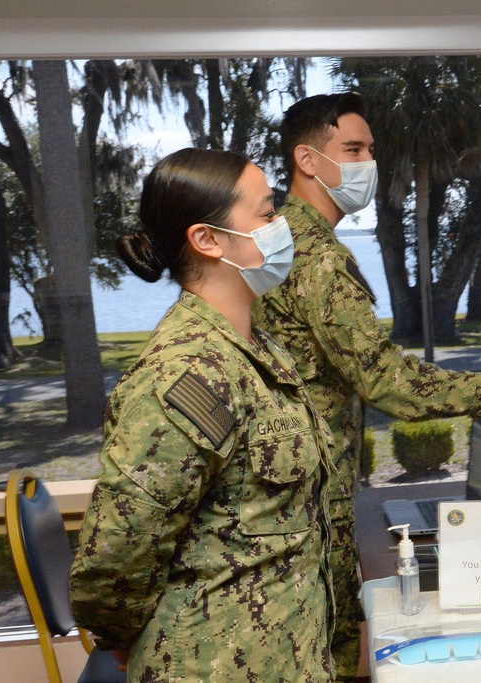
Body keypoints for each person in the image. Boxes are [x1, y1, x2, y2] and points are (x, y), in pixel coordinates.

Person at [251, 92, 481, 679]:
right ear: (307, 160)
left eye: (372, 149)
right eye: (354, 149)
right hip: (308, 500)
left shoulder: (280, 242)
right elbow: (386, 380)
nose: (370, 162)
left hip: (297, 492)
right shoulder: (314, 258)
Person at [70, 148, 337, 682]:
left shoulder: (255, 348)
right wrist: (124, 640)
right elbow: (115, 557)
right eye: (267, 214)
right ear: (208, 239)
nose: (282, 226)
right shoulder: (187, 374)